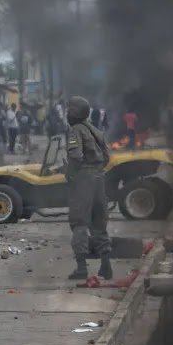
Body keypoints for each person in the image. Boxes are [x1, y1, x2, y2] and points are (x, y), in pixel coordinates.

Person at [64, 96, 112, 281]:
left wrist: (71, 173)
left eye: (69, 110)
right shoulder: (95, 130)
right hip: (100, 178)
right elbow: (107, 157)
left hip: (84, 180)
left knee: (79, 223)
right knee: (100, 224)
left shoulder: (76, 130)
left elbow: (75, 157)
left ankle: (82, 268)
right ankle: (106, 266)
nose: (67, 113)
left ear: (75, 112)